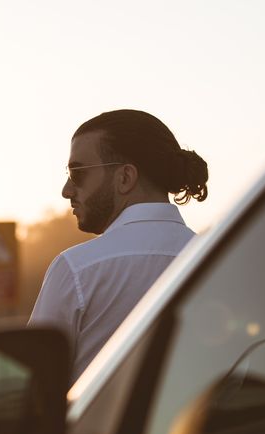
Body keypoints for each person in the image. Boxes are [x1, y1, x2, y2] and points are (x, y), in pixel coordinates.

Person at [29, 109, 208, 379]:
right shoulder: (216, 261)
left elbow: (34, 384)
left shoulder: (77, 270)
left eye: (77, 173)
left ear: (125, 178)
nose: (66, 190)